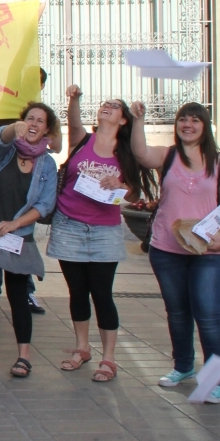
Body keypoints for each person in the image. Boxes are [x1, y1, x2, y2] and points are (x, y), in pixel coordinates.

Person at [130, 101, 220, 404]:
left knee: (209, 315)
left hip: (209, 252)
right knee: (177, 313)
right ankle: (183, 367)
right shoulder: (168, 156)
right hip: (167, 248)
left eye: (195, 120)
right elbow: (140, 153)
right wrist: (139, 120)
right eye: (182, 120)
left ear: (205, 126)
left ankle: (215, 380)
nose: (188, 125)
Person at [49, 86, 153, 383]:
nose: (107, 106)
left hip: (104, 230)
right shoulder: (84, 140)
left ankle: (109, 357)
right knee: (77, 292)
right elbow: (74, 123)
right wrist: (74, 99)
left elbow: (133, 194)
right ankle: (82, 348)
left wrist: (120, 184)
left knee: (102, 293)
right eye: (104, 103)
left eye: (115, 106)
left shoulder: (126, 152)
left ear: (123, 120)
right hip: (69, 224)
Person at [0, 103, 59, 377]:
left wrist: (16, 223)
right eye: (29, 119)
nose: (33, 124)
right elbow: (0, 138)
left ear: (47, 129)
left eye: (40, 121)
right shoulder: (7, 149)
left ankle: (24, 355)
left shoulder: (47, 165)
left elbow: (45, 204)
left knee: (18, 295)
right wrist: (11, 129)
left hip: (17, 235)